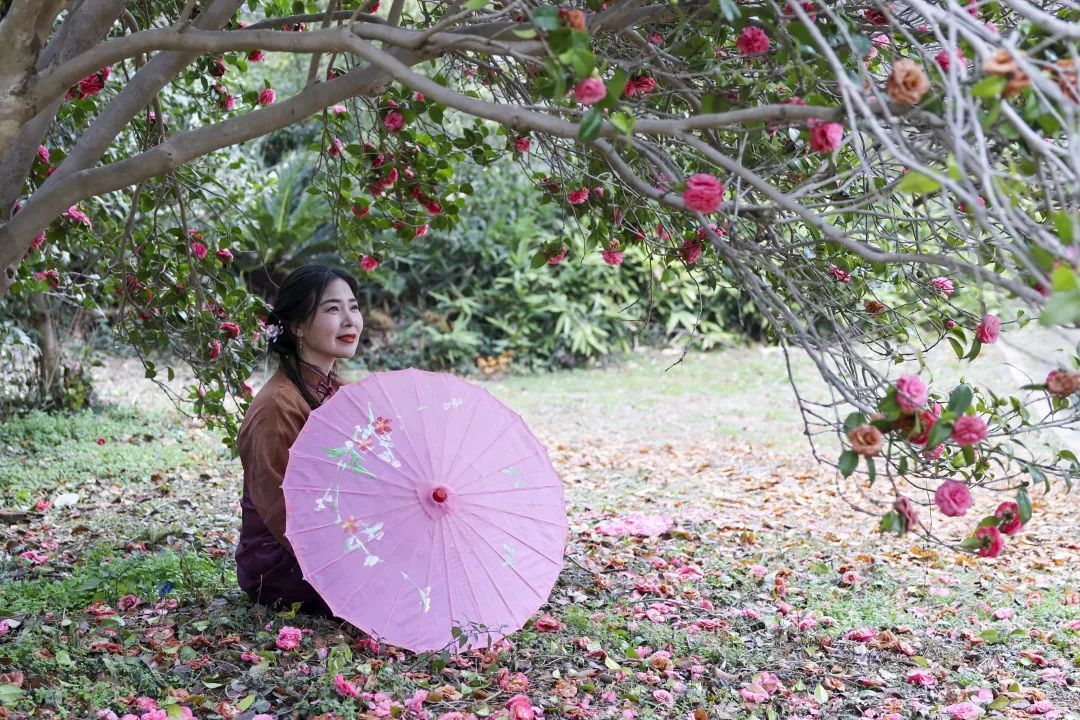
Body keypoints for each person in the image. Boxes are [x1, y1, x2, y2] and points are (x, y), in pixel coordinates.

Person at [235, 265, 364, 615]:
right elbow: (283, 511)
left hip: (337, 536)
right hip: (282, 563)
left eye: (353, 306)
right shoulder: (277, 405)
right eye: (332, 309)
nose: (349, 320)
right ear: (297, 326)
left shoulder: (340, 393)